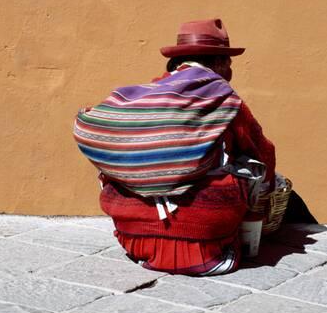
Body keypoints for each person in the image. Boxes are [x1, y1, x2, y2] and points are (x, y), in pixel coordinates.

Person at [74, 18, 276, 275]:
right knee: (249, 168)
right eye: (228, 62)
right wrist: (266, 189)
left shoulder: (148, 98)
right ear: (217, 63)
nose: (230, 70)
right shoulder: (225, 99)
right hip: (207, 246)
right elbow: (262, 152)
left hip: (134, 239)